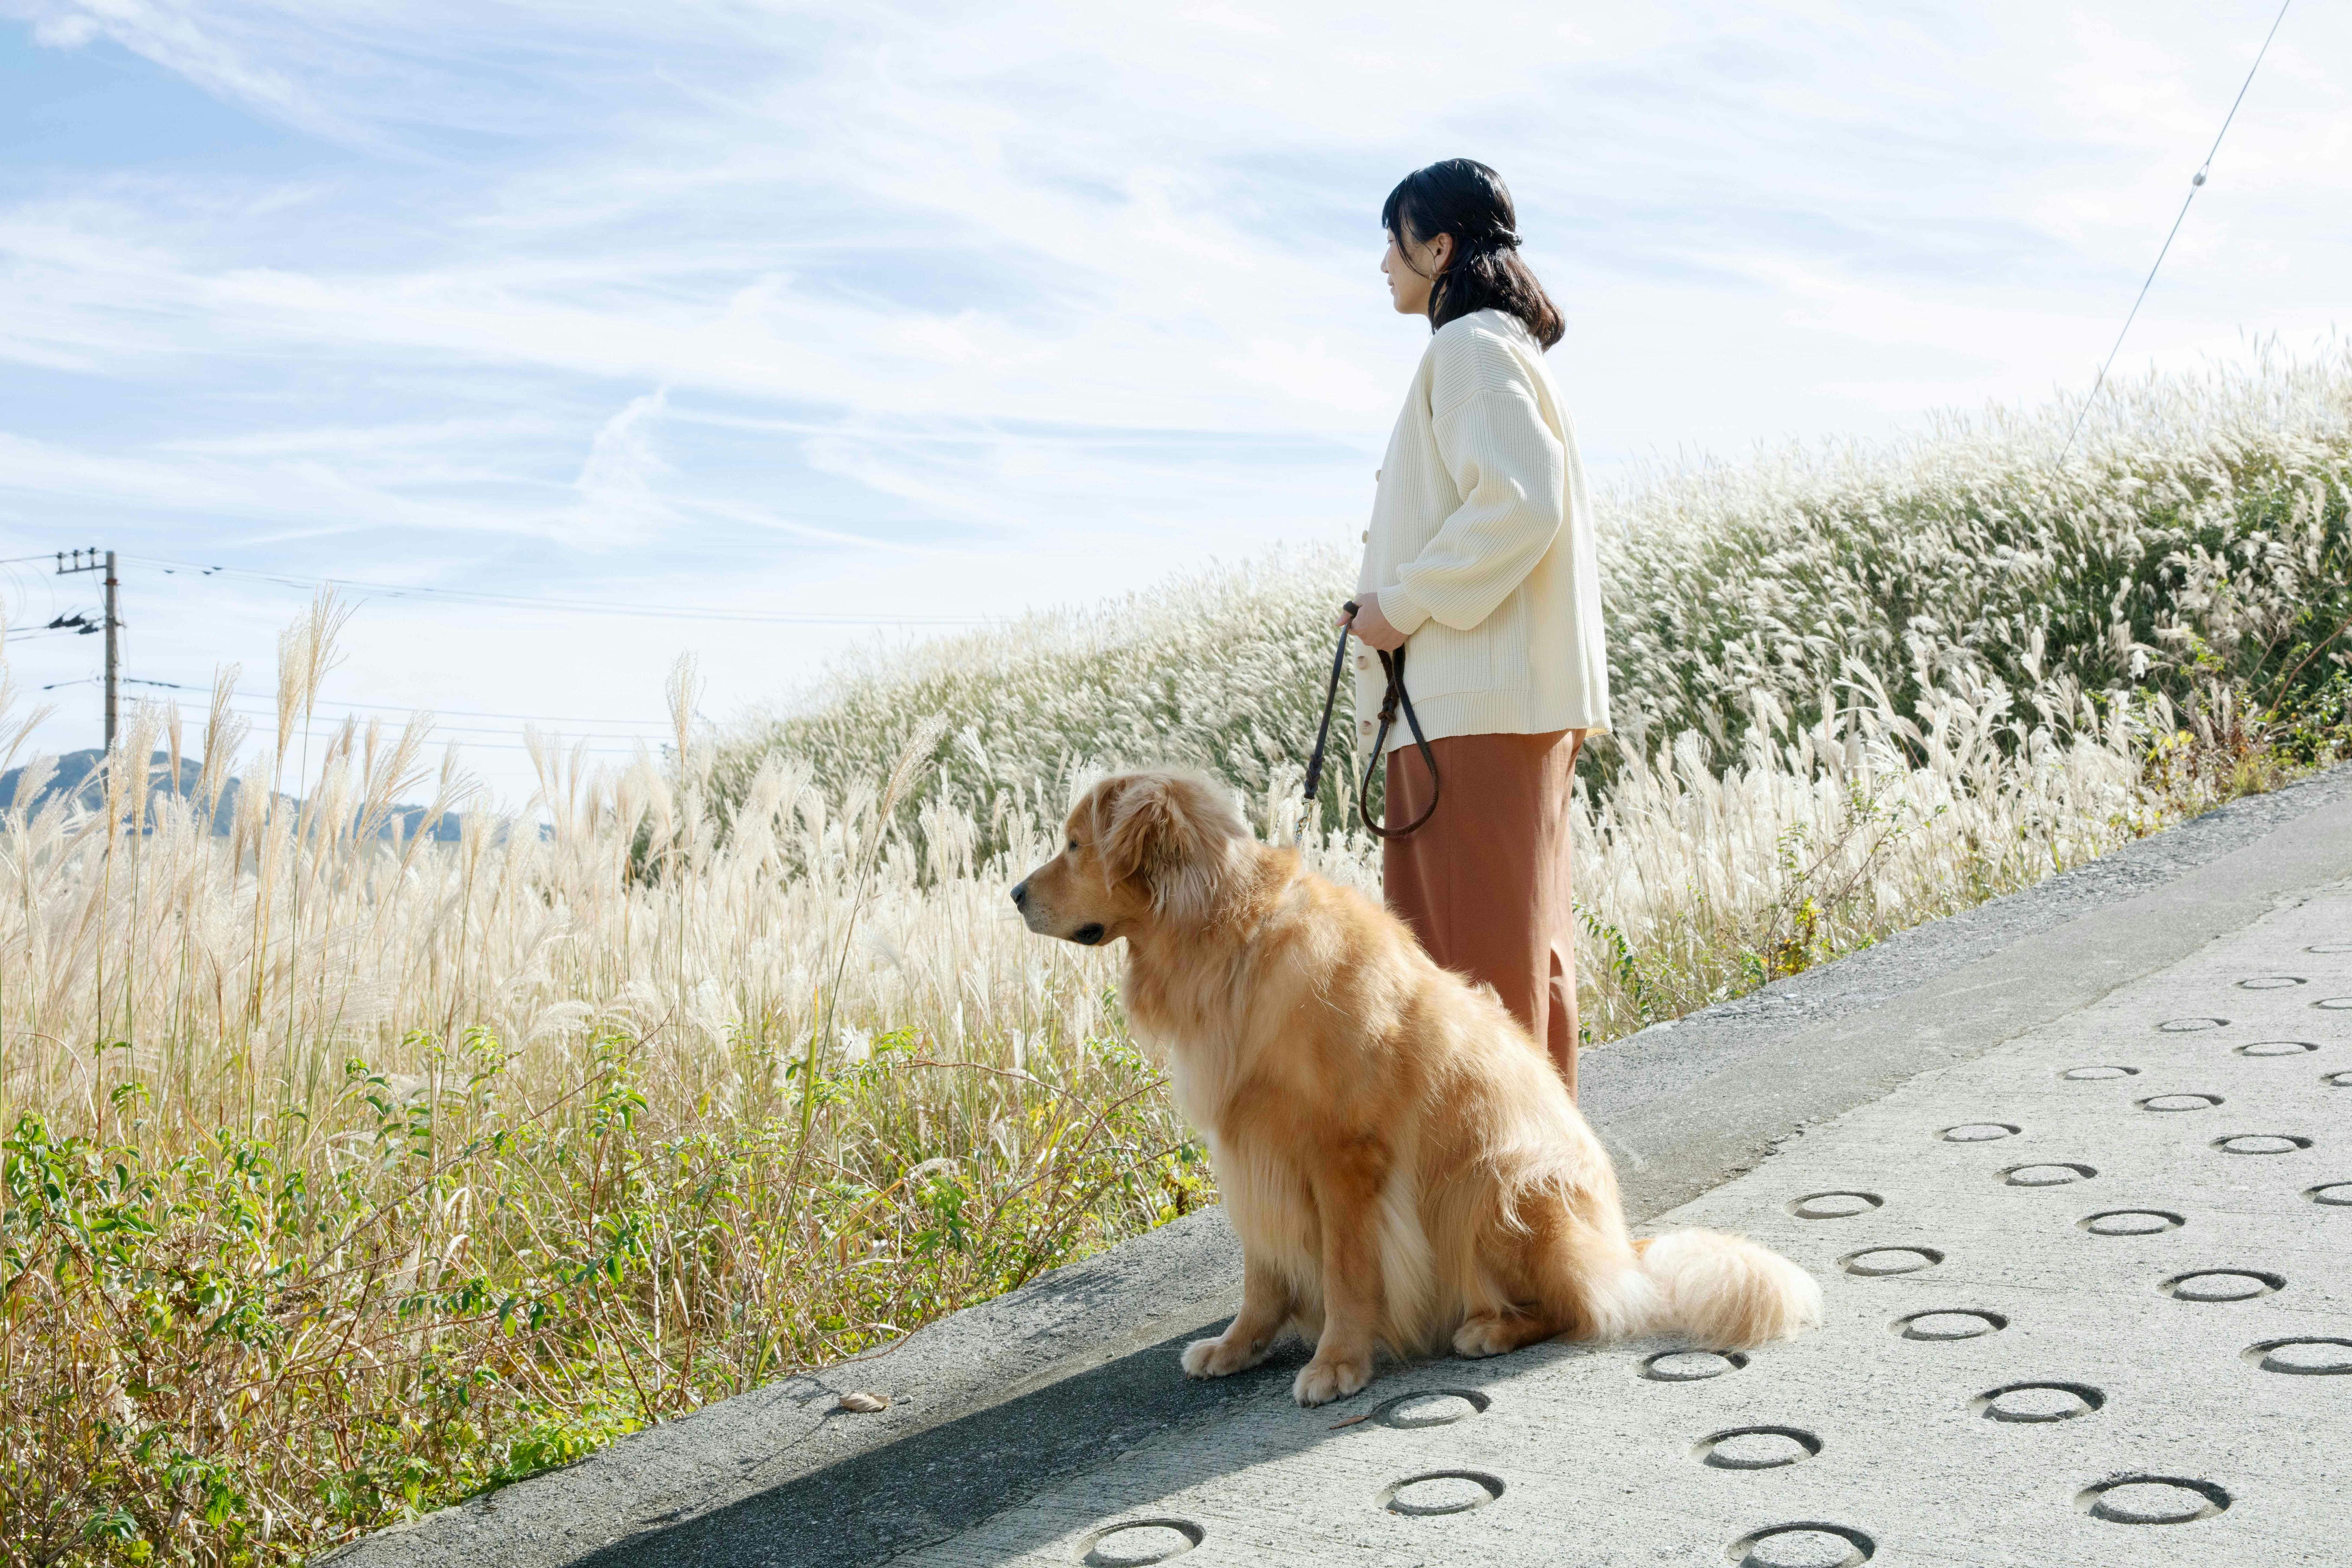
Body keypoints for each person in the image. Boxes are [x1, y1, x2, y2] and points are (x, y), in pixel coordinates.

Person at [1341, 157, 1610, 1096]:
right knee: (1519, 966)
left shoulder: (1464, 349)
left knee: (1470, 980)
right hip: (1490, 704)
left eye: (1395, 239)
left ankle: (1505, 1221)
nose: (1383, 262)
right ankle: (1545, 1209)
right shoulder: (1502, 349)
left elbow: (1517, 504)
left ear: (1441, 247)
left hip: (1471, 711)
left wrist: (1398, 606)